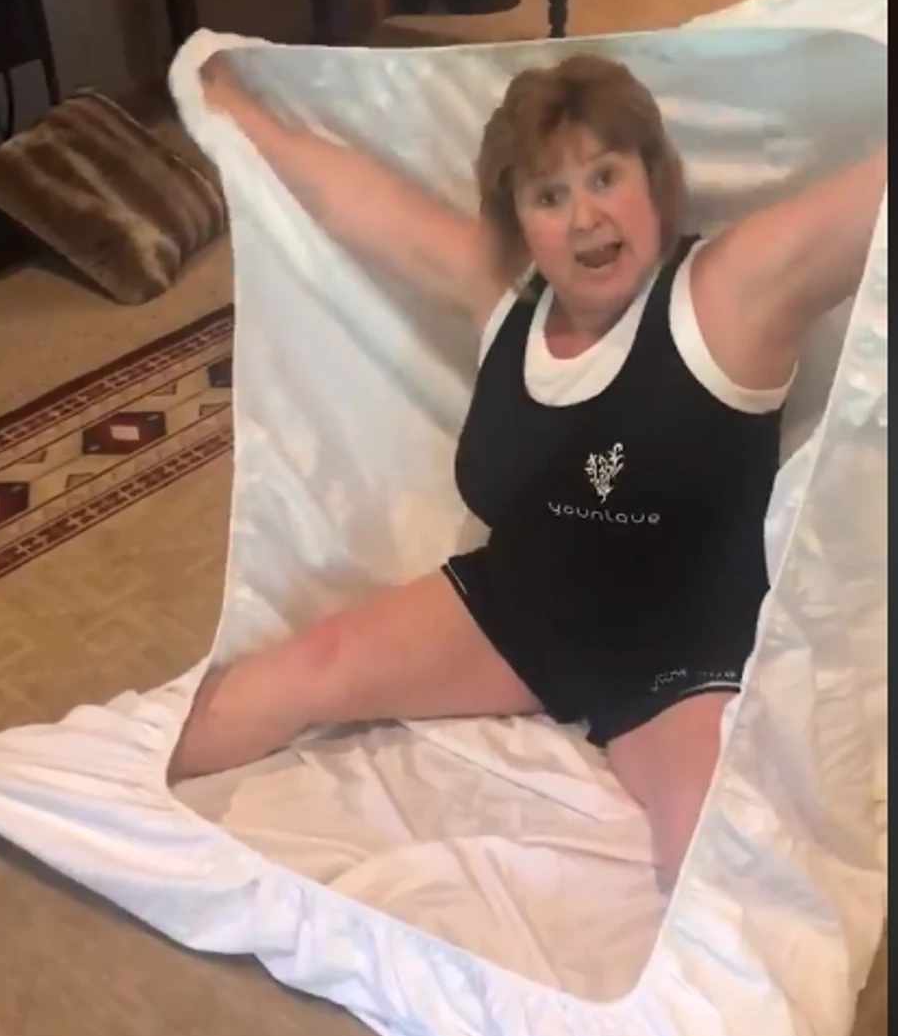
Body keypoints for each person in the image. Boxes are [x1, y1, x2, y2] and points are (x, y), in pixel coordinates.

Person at [169, 50, 886, 885]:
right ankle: (113, 786)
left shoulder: (730, 293)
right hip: (521, 615)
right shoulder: (507, 295)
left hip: (679, 658)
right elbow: (356, 202)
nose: (584, 218)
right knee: (296, 674)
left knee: (714, 862)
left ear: (655, 180)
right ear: (520, 221)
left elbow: (870, 202)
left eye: (605, 177)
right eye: (550, 196)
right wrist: (233, 108)